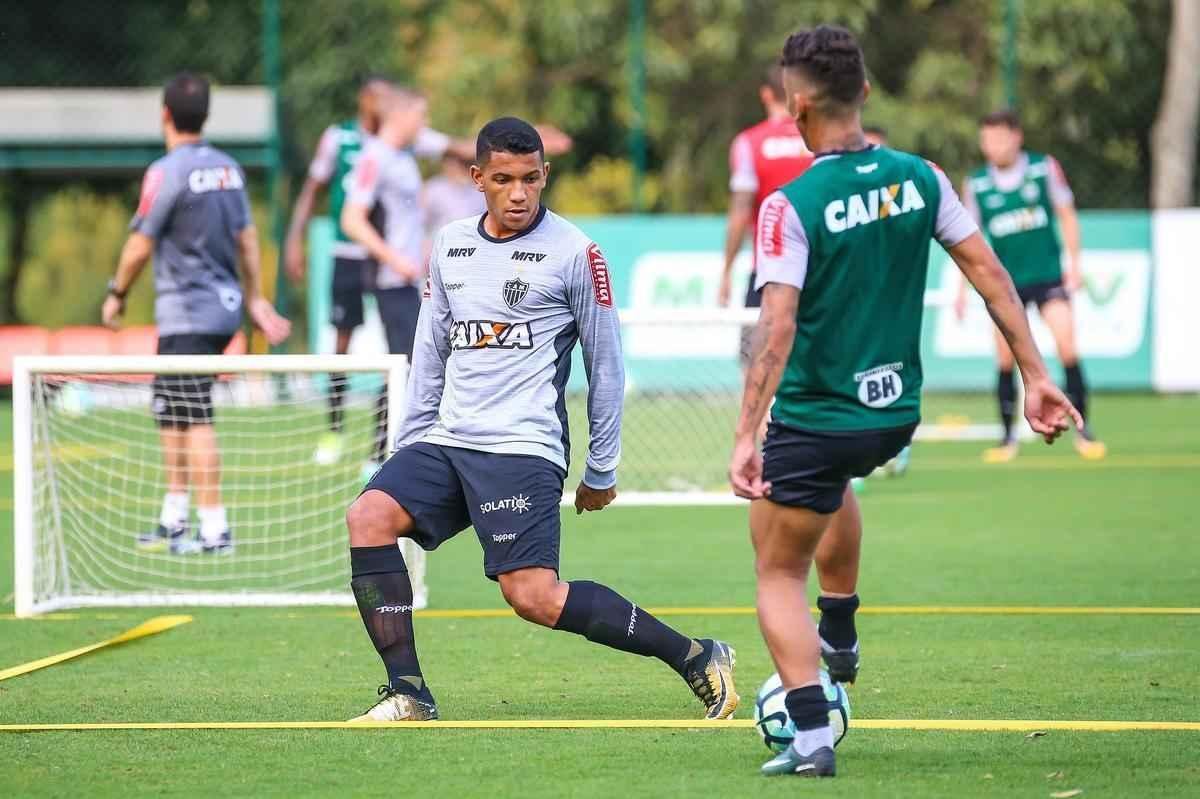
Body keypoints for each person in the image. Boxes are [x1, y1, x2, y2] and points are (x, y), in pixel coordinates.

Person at [728, 26, 1081, 778]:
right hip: (893, 417)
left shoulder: (790, 204)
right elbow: (989, 273)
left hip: (817, 415)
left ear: (796, 104)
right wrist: (1037, 375)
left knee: (776, 569)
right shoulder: (922, 177)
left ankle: (812, 734)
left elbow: (776, 327)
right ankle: (840, 626)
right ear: (865, 92)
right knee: (833, 484)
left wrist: (746, 432)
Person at [343, 117, 738, 723]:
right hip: (448, 440)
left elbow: (606, 365)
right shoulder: (450, 245)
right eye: (503, 179)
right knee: (368, 516)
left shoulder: (576, 253)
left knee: (533, 597)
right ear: (477, 178)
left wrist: (601, 468)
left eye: (530, 179)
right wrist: (408, 448)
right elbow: (431, 351)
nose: (518, 193)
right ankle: (409, 692)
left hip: (523, 448)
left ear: (545, 174)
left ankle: (695, 655)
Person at [103, 72, 291, 555]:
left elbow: (139, 244)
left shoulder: (166, 171)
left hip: (188, 313)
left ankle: (213, 528)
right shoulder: (229, 169)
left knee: (194, 413)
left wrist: (117, 292)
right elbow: (247, 238)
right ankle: (174, 518)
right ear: (205, 115)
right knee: (170, 410)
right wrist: (255, 297)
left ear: (165, 114)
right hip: (221, 310)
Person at [957, 110, 1106, 462]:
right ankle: (1007, 438)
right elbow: (967, 239)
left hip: (1048, 277)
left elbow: (1066, 214)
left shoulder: (1043, 169)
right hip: (1004, 288)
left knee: (1067, 348)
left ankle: (1084, 430)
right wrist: (962, 289)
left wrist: (1075, 264)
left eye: (998, 138)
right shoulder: (976, 184)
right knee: (1004, 358)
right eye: (986, 140)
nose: (991, 146)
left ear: (1016, 137)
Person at [285, 76, 391, 467]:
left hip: (384, 255)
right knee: (341, 342)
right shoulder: (338, 137)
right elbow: (312, 188)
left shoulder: (395, 141)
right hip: (347, 252)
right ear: (364, 100)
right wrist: (294, 239)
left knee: (397, 347)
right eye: (377, 98)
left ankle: (381, 441)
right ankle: (333, 429)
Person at [340, 88, 430, 477]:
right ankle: (380, 455)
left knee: (410, 361)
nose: (424, 124)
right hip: (390, 278)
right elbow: (351, 220)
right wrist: (395, 259)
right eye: (420, 116)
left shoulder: (403, 156)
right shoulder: (373, 157)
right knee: (406, 361)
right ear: (401, 116)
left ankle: (385, 451)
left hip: (411, 278)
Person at [718, 66, 814, 327]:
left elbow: (740, 211)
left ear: (766, 95)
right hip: (819, 270)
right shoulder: (818, 140)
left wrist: (727, 270)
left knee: (758, 351)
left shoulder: (749, 143)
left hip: (770, 271)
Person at [422, 153, 486, 240]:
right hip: (441, 243)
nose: (457, 167)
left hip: (472, 243)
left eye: (464, 163)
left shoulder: (479, 191)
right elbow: (421, 221)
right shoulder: (433, 188)